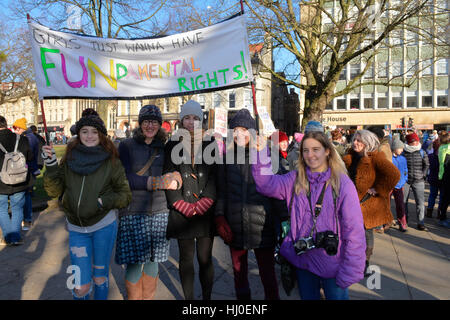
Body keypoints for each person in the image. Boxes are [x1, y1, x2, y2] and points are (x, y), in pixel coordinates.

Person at [252, 128, 366, 300]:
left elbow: (354, 229)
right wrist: (260, 153)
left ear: (327, 151)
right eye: (305, 150)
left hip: (333, 264)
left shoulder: (342, 183)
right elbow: (266, 185)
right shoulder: (295, 179)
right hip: (303, 261)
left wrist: (351, 269)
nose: (310, 155)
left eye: (315, 149)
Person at [43, 114, 132, 300]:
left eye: (94, 132)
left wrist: (102, 202)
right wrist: (50, 165)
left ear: (101, 135)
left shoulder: (111, 161)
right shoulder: (69, 159)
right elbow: (53, 191)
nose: (89, 136)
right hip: (76, 230)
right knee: (79, 286)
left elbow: (125, 195)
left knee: (100, 278)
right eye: (85, 131)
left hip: (103, 227)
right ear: (79, 134)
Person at [115, 105, 182, 300]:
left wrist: (177, 178)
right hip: (133, 210)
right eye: (146, 121)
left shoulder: (165, 146)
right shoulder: (126, 145)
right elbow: (125, 178)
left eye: (154, 121)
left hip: (160, 210)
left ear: (160, 125)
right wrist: (157, 182)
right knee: (135, 262)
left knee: (154, 262)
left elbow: (176, 169)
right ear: (140, 123)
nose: (150, 125)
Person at [215, 108, 282, 300]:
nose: (239, 134)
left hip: (263, 226)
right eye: (235, 130)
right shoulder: (225, 159)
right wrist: (219, 216)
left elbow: (277, 191)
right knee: (240, 277)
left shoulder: (267, 156)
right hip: (235, 226)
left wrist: (284, 218)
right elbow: (222, 191)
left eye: (244, 130)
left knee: (268, 276)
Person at [163, 100, 217, 300]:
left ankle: (207, 299)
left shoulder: (210, 143)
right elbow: (167, 175)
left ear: (201, 120)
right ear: (181, 120)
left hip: (205, 211)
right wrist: (179, 203)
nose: (191, 122)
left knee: (205, 259)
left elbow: (215, 176)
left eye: (195, 118)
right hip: (182, 211)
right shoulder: (172, 145)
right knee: (186, 260)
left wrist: (206, 201)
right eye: (187, 118)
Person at [342, 130, 400, 276]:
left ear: (367, 142)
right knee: (351, 233)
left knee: (366, 233)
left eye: (359, 140)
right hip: (351, 202)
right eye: (354, 140)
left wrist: (378, 188)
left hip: (367, 204)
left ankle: (365, 263)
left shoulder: (376, 157)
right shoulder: (350, 156)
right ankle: (352, 260)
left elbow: (394, 175)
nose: (355, 143)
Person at [0, 116, 33, 246]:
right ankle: (15, 237)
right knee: (17, 208)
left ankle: (9, 237)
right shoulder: (22, 139)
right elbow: (30, 157)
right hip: (20, 179)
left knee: (2, 209)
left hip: (1, 182)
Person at [13, 118, 39, 232]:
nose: (14, 131)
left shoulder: (27, 139)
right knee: (25, 195)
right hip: (28, 169)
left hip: (26, 170)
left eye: (15, 128)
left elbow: (27, 155)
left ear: (20, 128)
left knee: (25, 195)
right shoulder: (31, 137)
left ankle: (27, 220)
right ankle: (25, 219)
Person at [403, 132, 429, 231]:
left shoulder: (422, 152)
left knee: (420, 202)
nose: (415, 143)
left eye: (416, 141)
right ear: (409, 142)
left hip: (419, 180)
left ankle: (421, 223)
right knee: (403, 202)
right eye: (413, 141)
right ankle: (404, 221)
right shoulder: (403, 152)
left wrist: (423, 174)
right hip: (406, 180)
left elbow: (427, 165)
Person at [391, 137, 408, 232]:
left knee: (400, 205)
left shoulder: (403, 159)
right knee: (386, 204)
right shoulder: (389, 158)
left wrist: (404, 180)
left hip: (400, 185)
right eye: (400, 148)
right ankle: (386, 222)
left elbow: (405, 170)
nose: (402, 150)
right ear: (394, 148)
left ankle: (402, 223)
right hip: (390, 185)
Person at [437, 132, 450, 228]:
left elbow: (442, 163)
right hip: (447, 175)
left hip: (443, 175)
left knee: (444, 197)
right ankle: (442, 218)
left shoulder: (441, 148)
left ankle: (442, 216)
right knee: (446, 198)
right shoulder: (448, 148)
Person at [426, 139, 441, 218]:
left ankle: (429, 211)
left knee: (432, 195)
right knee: (441, 196)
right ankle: (440, 212)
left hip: (433, 178)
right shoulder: (443, 156)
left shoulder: (430, 156)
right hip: (441, 179)